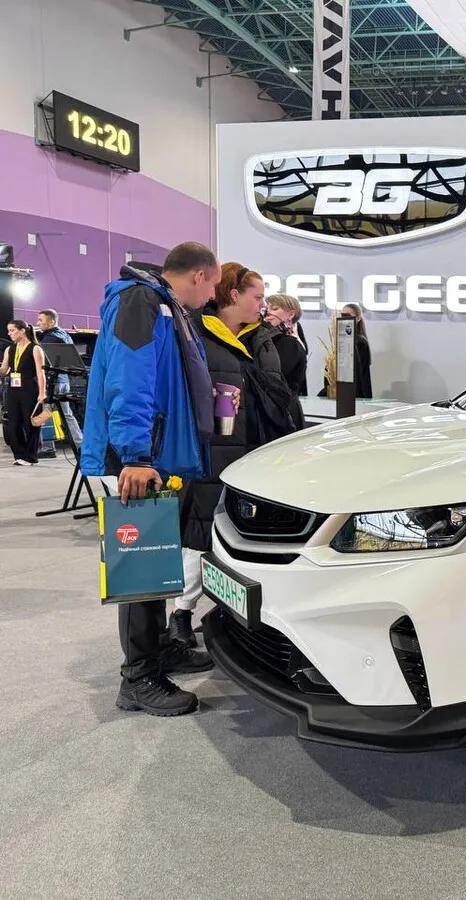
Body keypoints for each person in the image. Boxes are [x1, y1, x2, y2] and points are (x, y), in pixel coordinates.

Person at [81, 242, 220, 717]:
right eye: (214, 284)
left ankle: (157, 650)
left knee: (156, 561)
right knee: (140, 570)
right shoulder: (140, 301)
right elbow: (129, 378)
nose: (212, 294)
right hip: (140, 460)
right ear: (200, 275)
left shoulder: (160, 303)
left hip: (156, 456)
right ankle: (138, 678)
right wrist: (136, 456)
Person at [171, 264, 301, 647]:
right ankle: (181, 614)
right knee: (199, 535)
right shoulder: (196, 333)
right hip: (209, 453)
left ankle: (236, 617)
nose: (263, 304)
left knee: (245, 539)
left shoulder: (263, 339)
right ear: (233, 294)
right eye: (257, 296)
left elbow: (280, 395)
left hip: (256, 454)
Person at [35, 309, 84, 448]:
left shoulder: (50, 338)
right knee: (67, 414)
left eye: (40, 320)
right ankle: (80, 444)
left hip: (53, 381)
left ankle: (47, 447)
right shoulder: (63, 334)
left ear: (51, 322)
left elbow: (40, 358)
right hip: (64, 380)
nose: (38, 323)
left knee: (45, 413)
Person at [1, 320, 47, 465]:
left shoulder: (35, 348)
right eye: (8, 330)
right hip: (13, 389)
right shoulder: (10, 349)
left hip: (29, 388)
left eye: (12, 330)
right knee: (13, 423)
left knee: (31, 423)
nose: (9, 333)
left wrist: (42, 393)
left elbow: (40, 373)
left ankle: (30, 456)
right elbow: (4, 370)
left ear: (22, 331)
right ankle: (20, 455)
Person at [264, 293, 308, 397]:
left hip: (281, 403)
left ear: (291, 314)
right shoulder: (273, 339)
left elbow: (274, 377)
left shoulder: (290, 344)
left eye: (274, 309)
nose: (268, 313)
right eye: (266, 309)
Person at [341, 302, 373, 399]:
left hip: (356, 394)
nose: (344, 319)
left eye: (348, 316)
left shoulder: (360, 342)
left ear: (358, 319)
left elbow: (361, 374)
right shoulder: (342, 341)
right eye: (342, 315)